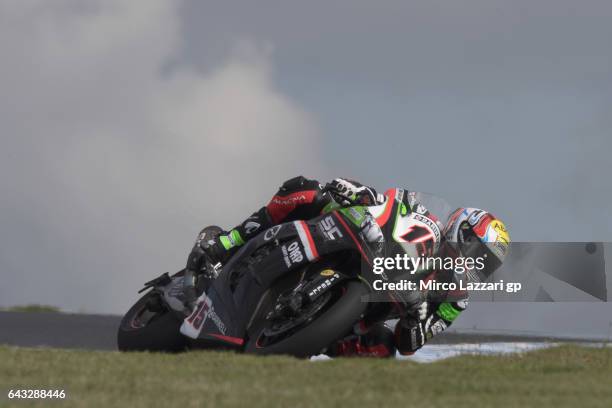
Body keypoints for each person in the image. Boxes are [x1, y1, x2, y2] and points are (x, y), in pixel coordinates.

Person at [184, 176, 510, 357]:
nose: (475, 261)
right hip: (363, 248)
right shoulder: (426, 215)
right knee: (305, 191)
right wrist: (360, 192)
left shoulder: (456, 298)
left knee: (382, 349)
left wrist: (417, 321)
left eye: (486, 262)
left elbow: (412, 344)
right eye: (477, 248)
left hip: (368, 312)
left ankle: (311, 354)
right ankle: (225, 243)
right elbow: (386, 204)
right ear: (463, 228)